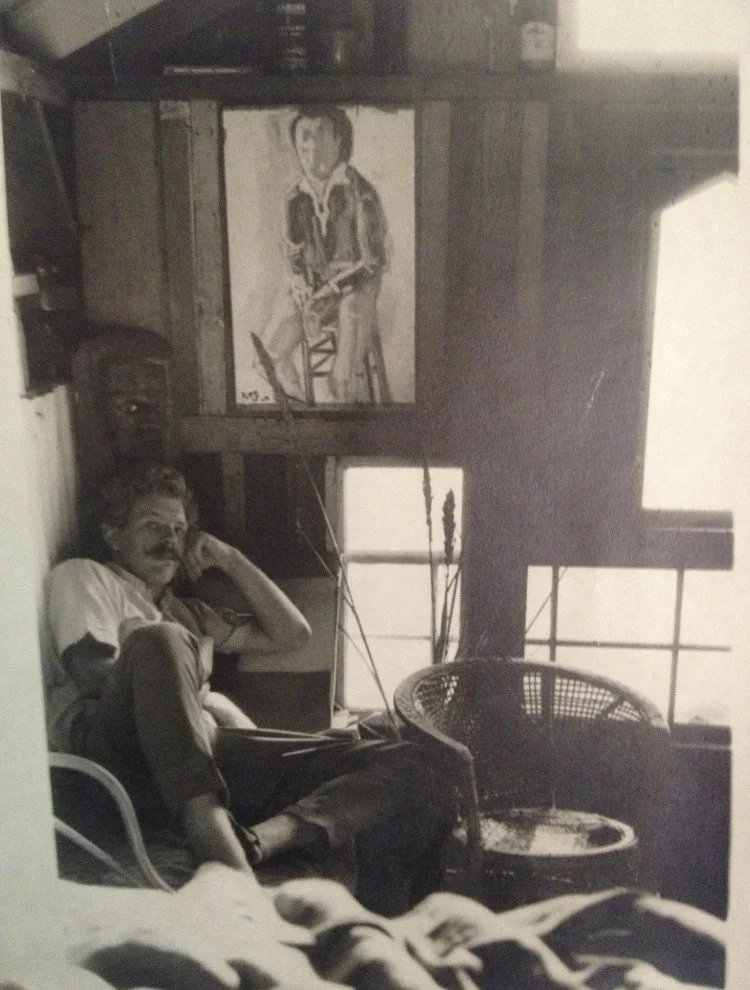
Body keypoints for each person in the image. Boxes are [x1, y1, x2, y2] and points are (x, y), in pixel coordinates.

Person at [45, 462, 448, 891]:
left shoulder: (185, 612)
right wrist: (184, 685)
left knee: (411, 760)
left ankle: (263, 839)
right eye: (152, 525)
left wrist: (228, 557)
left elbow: (292, 633)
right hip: (119, 755)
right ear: (113, 533)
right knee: (158, 640)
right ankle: (211, 833)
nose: (170, 542)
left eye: (179, 531)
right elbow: (93, 677)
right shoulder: (86, 577)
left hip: (203, 753)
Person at [262, 105, 389, 404]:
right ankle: (302, 408)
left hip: (356, 288)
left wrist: (333, 286)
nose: (311, 148)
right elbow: (293, 251)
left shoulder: (361, 193)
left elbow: (373, 262)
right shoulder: (295, 199)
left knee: (344, 370)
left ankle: (339, 403)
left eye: (320, 138)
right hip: (317, 291)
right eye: (304, 140)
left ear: (340, 142)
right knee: (270, 353)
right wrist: (298, 282)